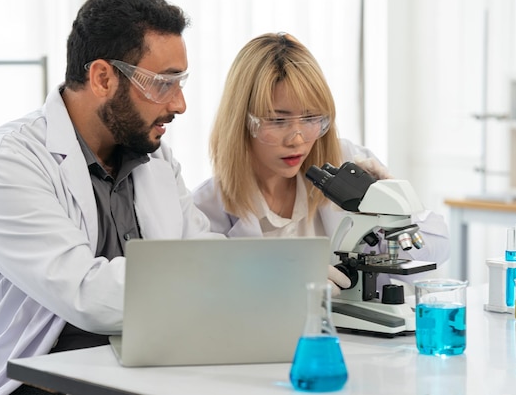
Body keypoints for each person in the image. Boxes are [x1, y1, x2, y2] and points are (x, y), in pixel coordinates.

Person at [0, 0, 222, 395]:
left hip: (144, 374)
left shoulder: (155, 158)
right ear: (103, 77)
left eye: (180, 82)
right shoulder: (5, 164)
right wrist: (214, 280)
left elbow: (203, 253)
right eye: (163, 83)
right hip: (33, 385)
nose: (179, 104)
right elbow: (89, 296)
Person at [193, 32, 450, 296]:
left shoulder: (345, 160)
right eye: (278, 121)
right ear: (242, 121)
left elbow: (438, 247)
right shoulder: (206, 208)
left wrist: (396, 210)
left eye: (310, 118)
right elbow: (205, 296)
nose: (297, 139)